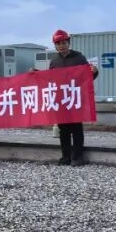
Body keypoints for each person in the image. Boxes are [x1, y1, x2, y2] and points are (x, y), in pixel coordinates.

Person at [49, 29, 99, 166]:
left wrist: (95, 72)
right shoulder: (54, 62)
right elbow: (49, 80)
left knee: (76, 129)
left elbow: (88, 76)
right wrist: (34, 74)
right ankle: (65, 156)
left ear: (68, 43)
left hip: (76, 99)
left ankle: (78, 157)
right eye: (58, 44)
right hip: (61, 100)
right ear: (55, 46)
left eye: (63, 43)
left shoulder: (79, 58)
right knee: (63, 130)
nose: (61, 46)